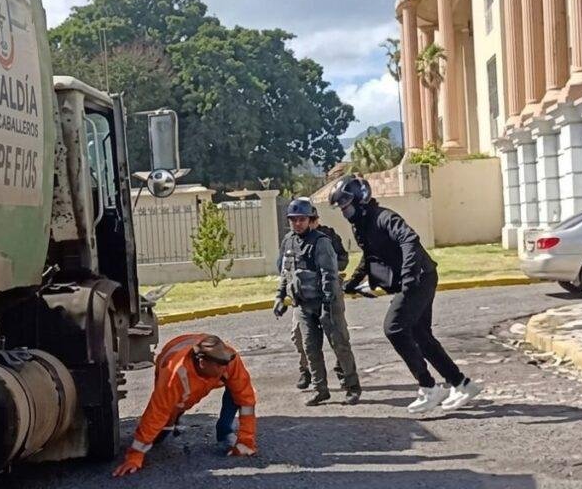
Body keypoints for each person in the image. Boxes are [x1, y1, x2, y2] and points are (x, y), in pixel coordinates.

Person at [329, 175, 482, 414]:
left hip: (420, 278)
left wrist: (409, 277)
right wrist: (352, 284)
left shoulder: (383, 217)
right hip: (419, 278)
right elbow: (370, 257)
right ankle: (462, 384)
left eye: (346, 205)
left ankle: (429, 387)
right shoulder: (363, 225)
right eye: (341, 207)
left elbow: (409, 240)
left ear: (360, 199)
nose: (343, 211)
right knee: (422, 335)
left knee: (395, 328)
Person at [112, 334, 257, 477]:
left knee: (236, 389)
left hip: (195, 349)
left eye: (225, 364)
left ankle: (224, 430)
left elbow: (246, 400)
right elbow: (156, 413)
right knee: (163, 424)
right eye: (219, 365)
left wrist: (245, 441)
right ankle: (172, 420)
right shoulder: (173, 375)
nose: (224, 368)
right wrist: (135, 456)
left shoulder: (228, 359)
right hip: (171, 357)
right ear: (202, 362)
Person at [274, 198, 362, 406]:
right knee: (310, 348)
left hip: (325, 303)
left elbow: (329, 273)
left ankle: (352, 386)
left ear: (310, 219)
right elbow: (285, 272)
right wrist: (280, 296)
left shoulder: (321, 241)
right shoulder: (288, 241)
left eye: (302, 219)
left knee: (339, 344)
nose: (297, 223)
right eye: (293, 219)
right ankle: (320, 389)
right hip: (302, 304)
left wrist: (329, 303)